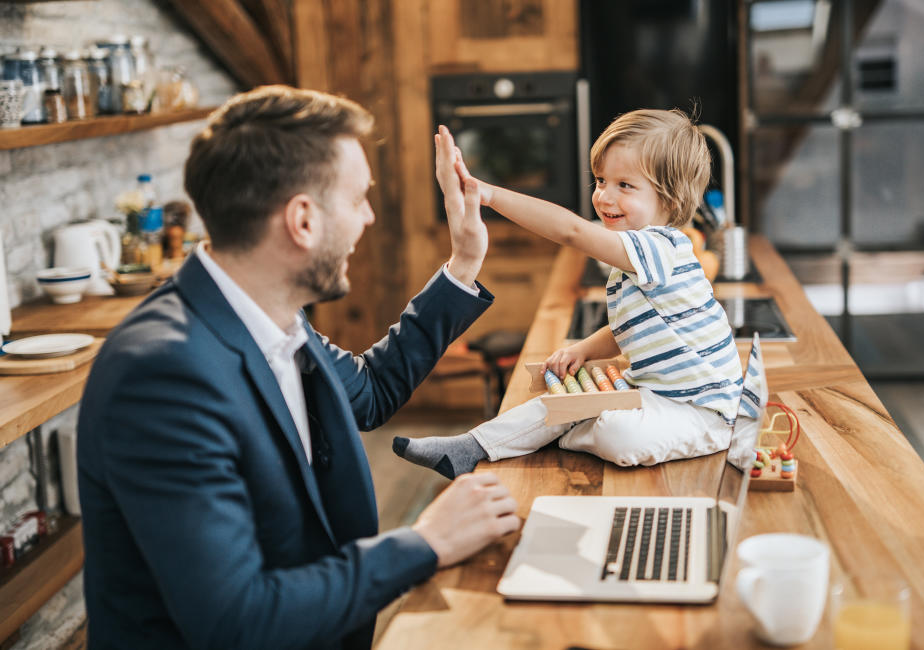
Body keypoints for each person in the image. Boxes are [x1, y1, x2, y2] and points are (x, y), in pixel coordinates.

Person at [77, 85, 520, 650]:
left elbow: (371, 390)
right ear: (303, 220)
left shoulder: (270, 314)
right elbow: (237, 621)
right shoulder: (163, 375)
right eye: (358, 198)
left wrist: (464, 261)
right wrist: (426, 542)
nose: (369, 217)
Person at [394, 110, 743, 476]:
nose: (605, 196)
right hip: (656, 395)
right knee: (566, 399)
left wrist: (492, 195)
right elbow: (630, 330)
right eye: (601, 180)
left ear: (670, 200)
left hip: (704, 412)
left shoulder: (660, 248)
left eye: (625, 186)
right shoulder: (634, 260)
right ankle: (470, 446)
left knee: (613, 431)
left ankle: (554, 433)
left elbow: (572, 232)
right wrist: (582, 350)